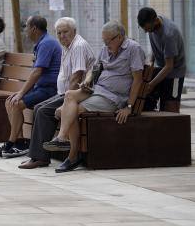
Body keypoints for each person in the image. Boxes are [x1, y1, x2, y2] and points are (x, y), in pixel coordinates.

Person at [43, 21, 145, 172]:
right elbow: (95, 68)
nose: (106, 44)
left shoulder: (133, 49)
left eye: (108, 40)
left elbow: (138, 80)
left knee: (71, 111)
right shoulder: (106, 48)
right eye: (104, 41)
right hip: (97, 89)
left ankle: (72, 156)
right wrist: (87, 80)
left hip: (113, 96)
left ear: (120, 37)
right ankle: (62, 138)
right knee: (70, 95)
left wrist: (129, 107)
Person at [19, 18, 95, 169]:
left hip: (76, 94)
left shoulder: (78, 46)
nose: (62, 36)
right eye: (59, 33)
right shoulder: (67, 46)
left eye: (65, 32)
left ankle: (40, 158)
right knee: (39, 107)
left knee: (42, 112)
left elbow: (77, 76)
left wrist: (66, 101)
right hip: (65, 93)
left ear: (74, 31)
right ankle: (37, 155)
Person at [0, 15, 62, 159]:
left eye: (26, 27)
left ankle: (11, 143)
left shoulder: (47, 43)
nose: (25, 31)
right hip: (40, 88)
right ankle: (20, 142)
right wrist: (20, 92)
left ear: (34, 28)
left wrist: (21, 93)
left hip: (50, 90)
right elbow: (35, 73)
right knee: (9, 101)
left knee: (16, 104)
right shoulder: (42, 43)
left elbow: (37, 72)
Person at [137, 7, 186, 113]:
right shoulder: (152, 27)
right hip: (161, 68)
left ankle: (173, 128)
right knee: (159, 105)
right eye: (143, 29)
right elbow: (156, 49)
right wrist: (150, 66)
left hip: (175, 73)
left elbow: (169, 66)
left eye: (147, 28)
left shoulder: (169, 35)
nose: (146, 31)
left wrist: (151, 85)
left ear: (155, 21)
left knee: (170, 107)